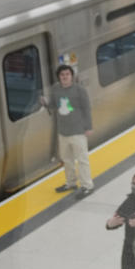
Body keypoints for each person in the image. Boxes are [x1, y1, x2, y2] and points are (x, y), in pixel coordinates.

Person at [40, 65, 94, 199]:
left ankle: (87, 186)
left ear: (72, 76)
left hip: (78, 131)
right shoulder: (56, 89)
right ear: (59, 77)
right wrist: (46, 103)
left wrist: (88, 127)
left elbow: (87, 109)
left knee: (82, 160)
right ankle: (70, 183)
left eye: (67, 74)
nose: (65, 77)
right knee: (67, 160)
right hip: (63, 132)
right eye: (62, 75)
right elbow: (54, 105)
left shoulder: (80, 90)